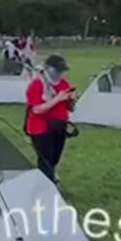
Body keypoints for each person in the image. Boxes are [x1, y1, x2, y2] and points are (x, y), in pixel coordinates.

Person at [25, 55, 75, 184]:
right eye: (57, 70)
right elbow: (37, 110)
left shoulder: (64, 83)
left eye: (62, 70)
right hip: (40, 128)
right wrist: (57, 99)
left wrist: (71, 100)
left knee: (54, 158)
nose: (60, 73)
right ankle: (46, 185)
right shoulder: (37, 84)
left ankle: (49, 178)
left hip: (59, 126)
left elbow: (70, 108)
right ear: (48, 68)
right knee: (45, 159)